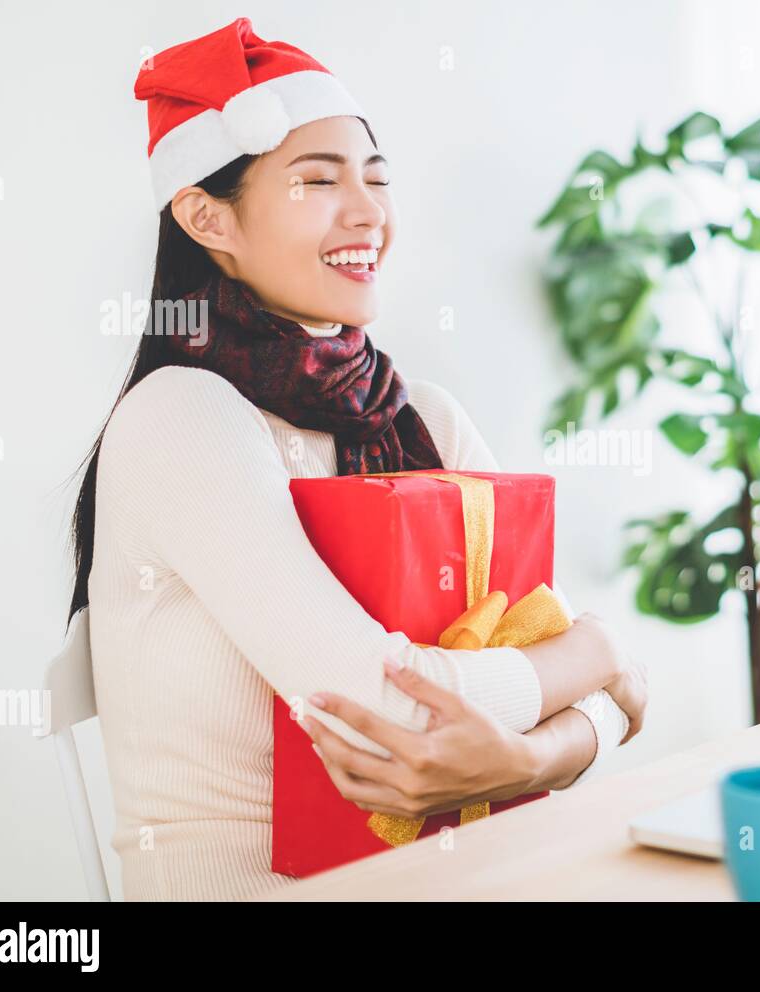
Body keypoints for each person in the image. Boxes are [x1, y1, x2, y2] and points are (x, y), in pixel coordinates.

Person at [67, 17, 647, 900]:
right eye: (318, 180)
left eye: (377, 179)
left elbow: (608, 691)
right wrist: (596, 651)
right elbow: (397, 713)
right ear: (205, 216)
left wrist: (523, 754)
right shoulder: (180, 418)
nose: (369, 212)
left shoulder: (423, 417)